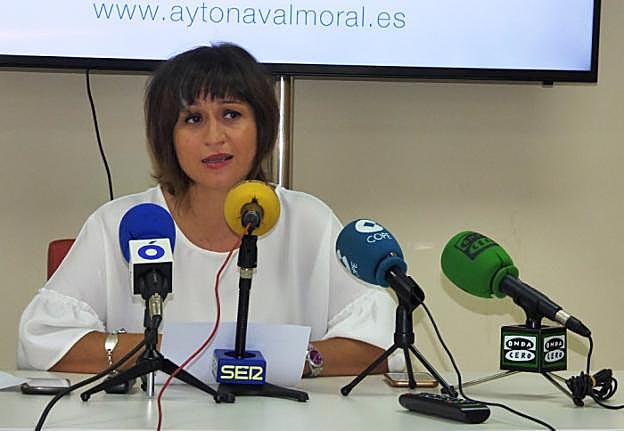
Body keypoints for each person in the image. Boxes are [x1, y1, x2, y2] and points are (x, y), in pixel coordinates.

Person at [18, 43, 401, 377]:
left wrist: (276, 362)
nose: (214, 137)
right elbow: (42, 342)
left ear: (261, 126)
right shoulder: (124, 223)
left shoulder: (309, 221)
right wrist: (174, 353)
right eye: (193, 119)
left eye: (231, 114)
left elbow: (383, 346)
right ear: (167, 137)